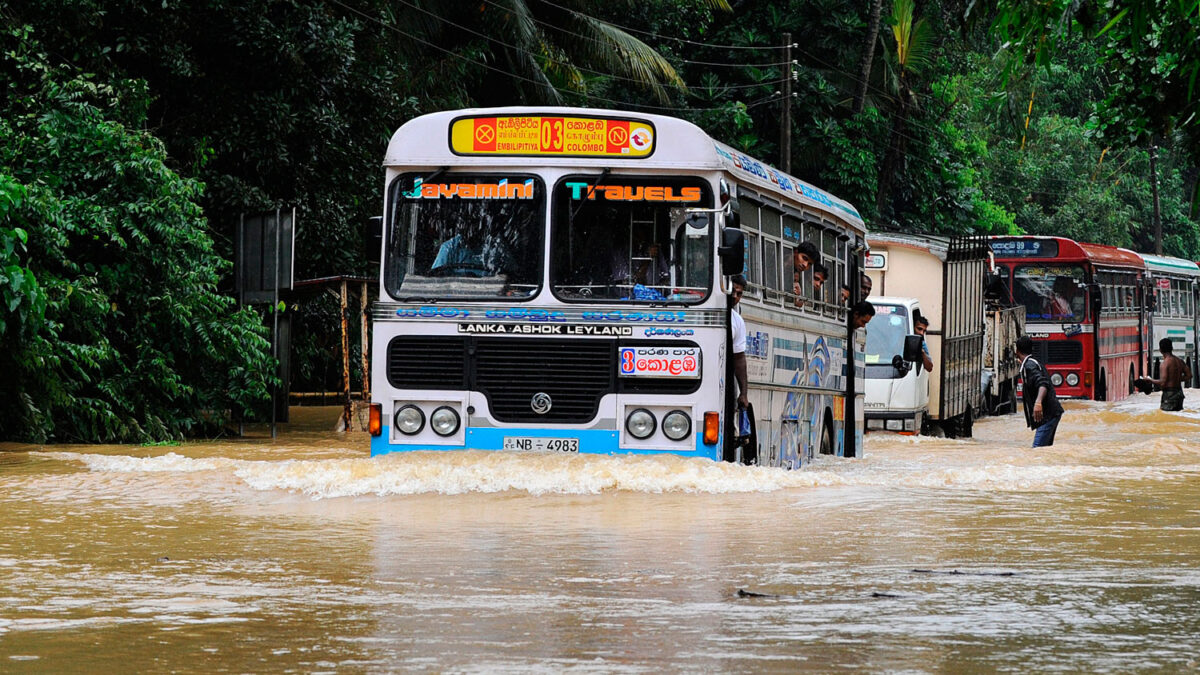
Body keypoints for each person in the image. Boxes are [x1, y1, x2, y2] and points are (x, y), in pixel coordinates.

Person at [1016, 335, 1065, 447]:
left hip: (1048, 416)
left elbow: (1043, 384)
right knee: (1043, 451)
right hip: (1051, 414)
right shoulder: (1031, 363)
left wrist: (1038, 403)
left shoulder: (1029, 366)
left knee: (1036, 451)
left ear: (1017, 351)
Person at [1136, 338, 1192, 411]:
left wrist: (1150, 380)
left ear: (1160, 350)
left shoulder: (1165, 364)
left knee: (1168, 416)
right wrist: (1175, 378)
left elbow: (1163, 382)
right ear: (1172, 348)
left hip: (1169, 395)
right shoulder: (1180, 361)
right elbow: (1189, 375)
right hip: (1179, 393)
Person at [730, 274, 749, 410]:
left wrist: (743, 393)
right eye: (732, 291)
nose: (735, 297)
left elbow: (739, 358)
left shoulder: (737, 321)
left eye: (739, 294)